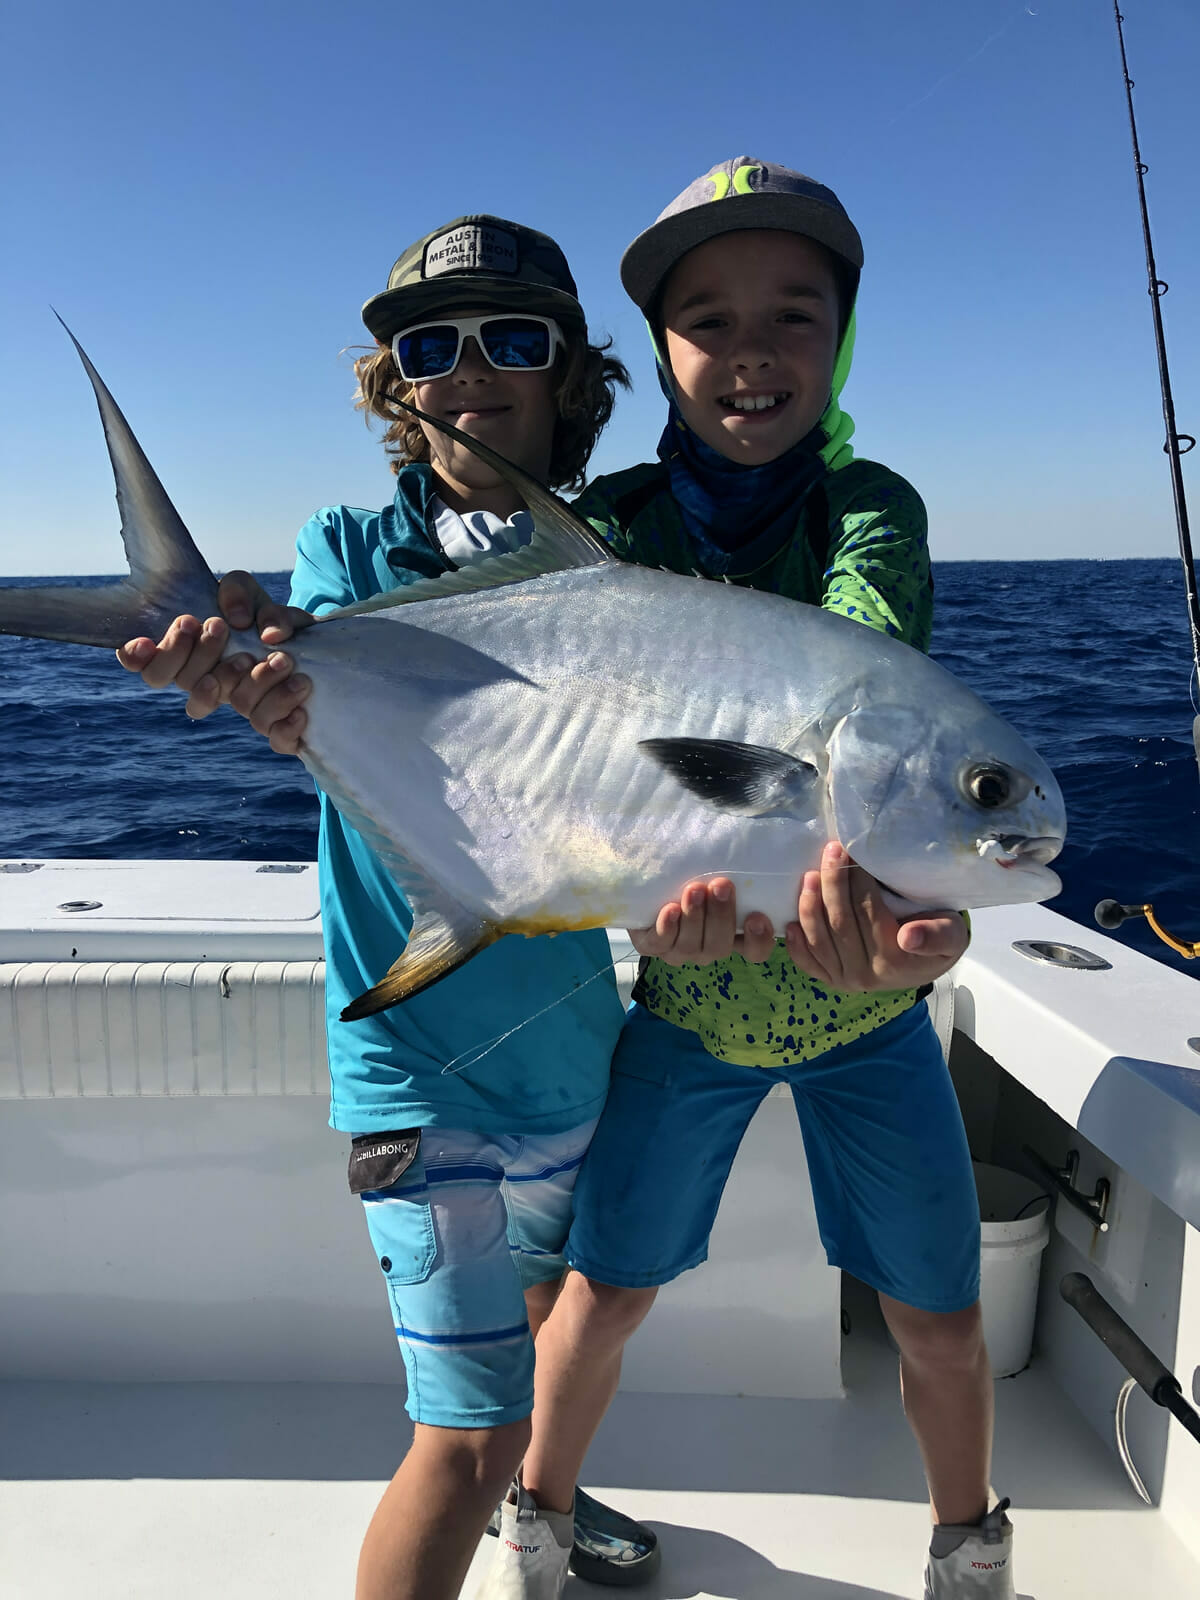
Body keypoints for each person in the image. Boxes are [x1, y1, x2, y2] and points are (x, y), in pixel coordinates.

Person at [117, 214, 664, 1600]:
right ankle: (502, 1488)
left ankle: (545, 1502)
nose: (469, 369)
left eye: (512, 339)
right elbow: (311, 692)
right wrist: (254, 682)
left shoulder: (619, 562)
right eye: (431, 346)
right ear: (394, 385)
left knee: (544, 1331)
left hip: (572, 1052)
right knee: (462, 1438)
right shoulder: (348, 550)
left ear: (569, 376)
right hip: (412, 1068)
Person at [505, 158, 1013, 1600]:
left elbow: (866, 674)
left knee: (941, 1320)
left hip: (872, 1019)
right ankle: (534, 1524)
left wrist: (919, 937)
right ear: (657, 350)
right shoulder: (609, 530)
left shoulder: (869, 509)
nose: (752, 353)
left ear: (840, 339)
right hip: (689, 1002)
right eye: (709, 320)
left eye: (795, 315)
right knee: (604, 1295)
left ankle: (969, 1551)